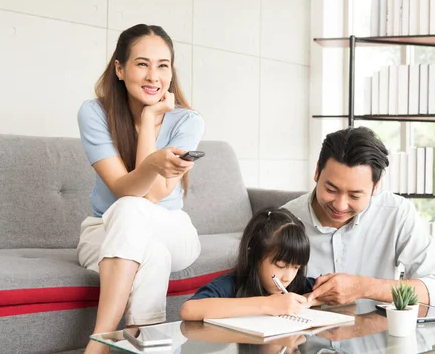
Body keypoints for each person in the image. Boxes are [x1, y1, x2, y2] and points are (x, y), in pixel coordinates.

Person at [76, 24, 205, 354]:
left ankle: (99, 342)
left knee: (135, 212)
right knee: (153, 255)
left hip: (171, 228)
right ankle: (153, 349)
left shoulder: (188, 121)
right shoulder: (94, 113)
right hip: (102, 230)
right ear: (120, 68)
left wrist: (150, 120)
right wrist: (150, 130)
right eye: (142, 63)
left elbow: (154, 196)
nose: (154, 76)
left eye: (163, 65)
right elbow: (123, 189)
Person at [282, 127, 435, 308]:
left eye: (355, 196)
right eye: (331, 190)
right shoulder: (284, 222)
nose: (340, 205)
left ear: (375, 186)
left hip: (377, 333)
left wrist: (364, 287)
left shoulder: (395, 213)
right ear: (317, 171)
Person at [180, 208, 322, 321]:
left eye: (296, 267)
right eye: (280, 265)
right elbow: (189, 310)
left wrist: (309, 300)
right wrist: (268, 304)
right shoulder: (232, 284)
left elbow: (325, 292)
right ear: (254, 254)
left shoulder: (296, 283)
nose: (288, 277)